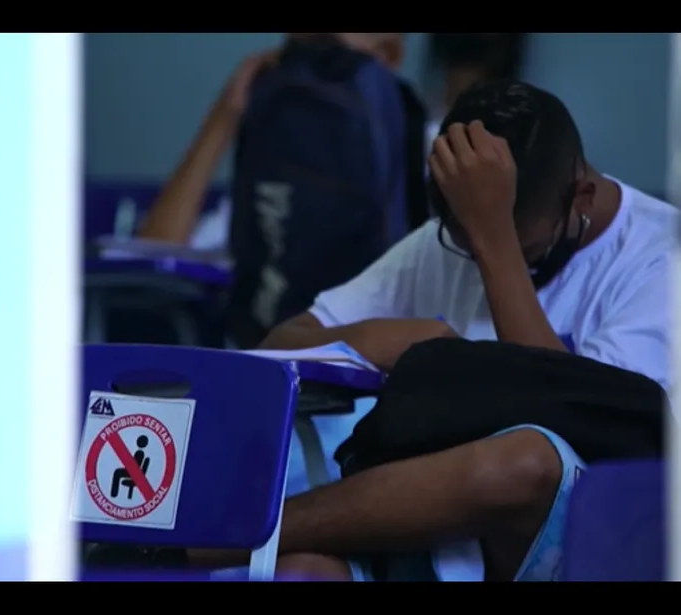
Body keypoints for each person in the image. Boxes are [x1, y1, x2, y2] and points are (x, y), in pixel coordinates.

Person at [88, 80, 678, 581]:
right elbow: (277, 347)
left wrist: (496, 242)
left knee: (523, 457)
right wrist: (381, 338)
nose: (473, 258)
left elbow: (586, 418)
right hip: (408, 516)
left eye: (518, 249)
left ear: (582, 196)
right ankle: (213, 540)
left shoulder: (658, 258)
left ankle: (206, 540)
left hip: (566, 518)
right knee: (301, 573)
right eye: (465, 244)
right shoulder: (457, 234)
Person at [135, 33, 407, 251]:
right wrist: (224, 119)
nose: (305, 73)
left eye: (326, 50)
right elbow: (152, 259)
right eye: (296, 51)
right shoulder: (277, 184)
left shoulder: (433, 168)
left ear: (387, 57)